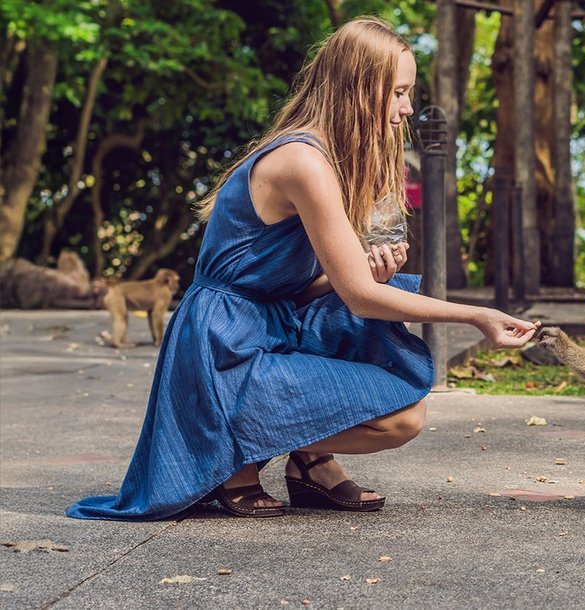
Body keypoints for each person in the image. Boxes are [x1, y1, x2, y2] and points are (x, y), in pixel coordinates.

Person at [68, 18, 536, 521]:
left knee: (397, 397)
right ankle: (230, 456)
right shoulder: (302, 162)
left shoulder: (331, 159)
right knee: (397, 407)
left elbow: (307, 286)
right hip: (224, 343)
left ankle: (308, 463)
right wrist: (475, 316)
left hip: (272, 322)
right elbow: (355, 296)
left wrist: (366, 278)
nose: (407, 108)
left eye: (409, 92)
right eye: (398, 92)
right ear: (360, 89)